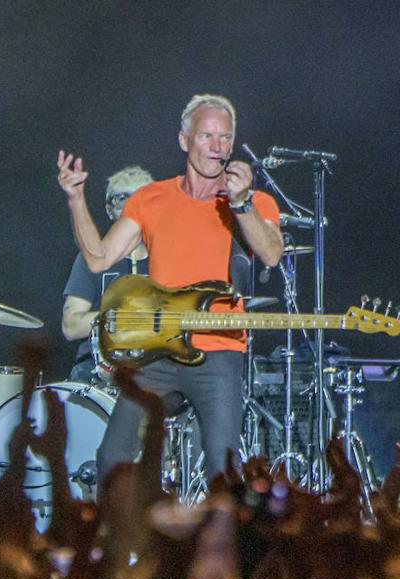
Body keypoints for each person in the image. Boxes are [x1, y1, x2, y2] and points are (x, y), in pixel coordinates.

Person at [57, 94, 283, 481]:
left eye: (225, 138)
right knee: (113, 458)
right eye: (207, 136)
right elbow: (98, 258)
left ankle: (220, 539)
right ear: (184, 140)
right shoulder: (152, 198)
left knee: (222, 471)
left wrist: (242, 203)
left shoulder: (252, 201)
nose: (218, 147)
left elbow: (272, 253)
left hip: (219, 351)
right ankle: (128, 538)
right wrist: (76, 199)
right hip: (159, 352)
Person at [60, 166, 152, 384]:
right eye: (122, 199)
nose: (133, 206)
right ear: (110, 211)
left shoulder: (169, 260)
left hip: (154, 365)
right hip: (97, 367)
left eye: (142, 198)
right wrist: (119, 317)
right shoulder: (91, 258)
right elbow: (70, 326)